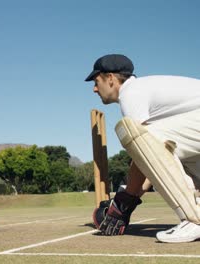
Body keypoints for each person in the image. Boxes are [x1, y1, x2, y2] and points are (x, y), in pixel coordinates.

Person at [86, 54, 200, 243]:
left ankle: (193, 219)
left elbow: (144, 151)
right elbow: (154, 161)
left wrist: (123, 202)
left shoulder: (130, 93)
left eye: (97, 81)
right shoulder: (144, 88)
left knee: (140, 135)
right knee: (171, 151)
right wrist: (128, 197)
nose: (94, 88)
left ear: (111, 78)